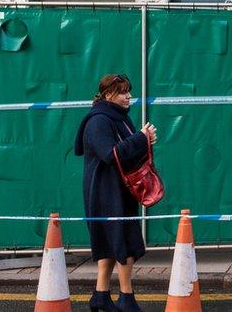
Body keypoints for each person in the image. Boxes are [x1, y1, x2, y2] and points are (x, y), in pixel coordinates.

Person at [74, 74, 158, 312]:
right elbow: (110, 154)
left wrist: (146, 141)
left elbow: (127, 152)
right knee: (123, 243)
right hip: (104, 191)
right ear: (109, 94)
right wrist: (141, 139)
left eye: (129, 91)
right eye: (123, 92)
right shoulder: (98, 121)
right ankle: (126, 298)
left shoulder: (120, 119)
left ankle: (100, 296)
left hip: (119, 189)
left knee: (113, 244)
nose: (129, 96)